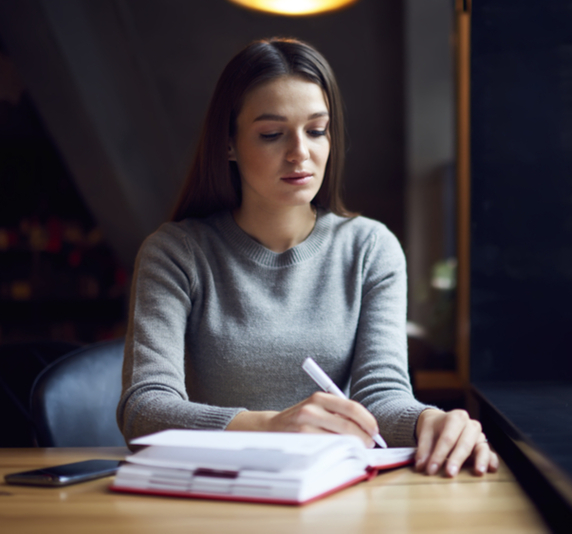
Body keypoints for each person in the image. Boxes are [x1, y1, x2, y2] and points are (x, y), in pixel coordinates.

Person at [117, 37, 497, 477]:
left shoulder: (370, 248)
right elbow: (143, 410)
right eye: (272, 134)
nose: (301, 153)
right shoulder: (176, 253)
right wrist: (270, 427)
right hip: (218, 496)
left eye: (317, 130)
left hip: (335, 496)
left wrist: (428, 421)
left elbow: (382, 395)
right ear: (229, 144)